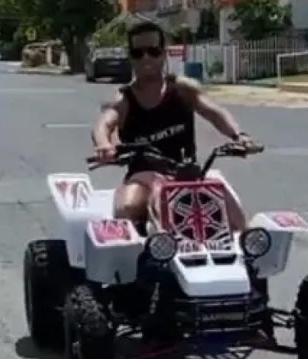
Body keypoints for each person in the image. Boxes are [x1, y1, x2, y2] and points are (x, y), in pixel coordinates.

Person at [92, 21, 258, 232]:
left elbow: (214, 112)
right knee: (127, 206)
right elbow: (104, 123)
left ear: (163, 53)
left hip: (188, 174)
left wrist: (239, 136)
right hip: (144, 174)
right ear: (130, 57)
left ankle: (247, 256)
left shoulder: (183, 89)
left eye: (153, 51)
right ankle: (136, 261)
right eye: (138, 53)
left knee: (234, 212)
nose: (146, 58)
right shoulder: (124, 98)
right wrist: (104, 145)